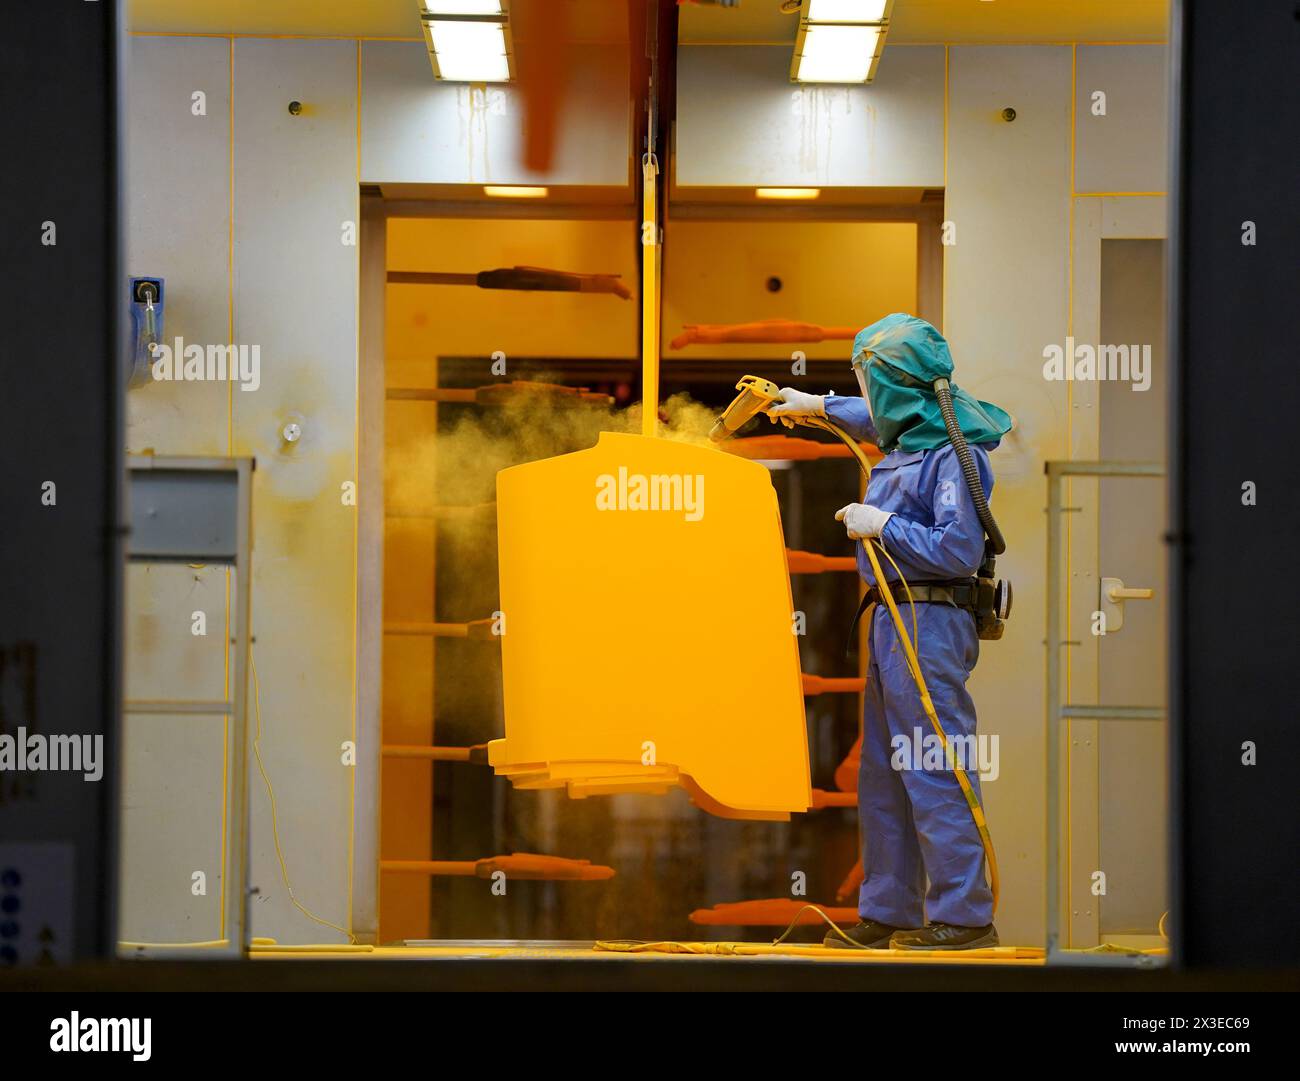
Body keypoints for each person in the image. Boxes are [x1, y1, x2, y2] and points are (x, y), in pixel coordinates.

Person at [769, 313, 1012, 951]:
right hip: (892, 617)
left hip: (929, 619)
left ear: (895, 383)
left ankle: (964, 916)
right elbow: (873, 417)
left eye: (867, 379)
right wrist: (812, 405)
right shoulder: (910, 432)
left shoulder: (955, 459)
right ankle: (891, 908)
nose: (866, 394)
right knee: (884, 767)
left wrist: (883, 526)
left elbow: (958, 550)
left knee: (934, 763)